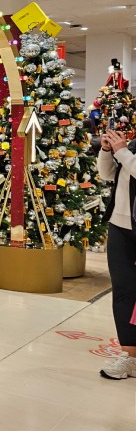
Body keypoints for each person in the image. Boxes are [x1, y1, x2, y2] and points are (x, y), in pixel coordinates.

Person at [96, 128, 136, 379]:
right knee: (123, 290)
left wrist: (121, 151)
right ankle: (130, 357)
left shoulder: (127, 149)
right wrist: (107, 150)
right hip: (120, 225)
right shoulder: (132, 144)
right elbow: (107, 174)